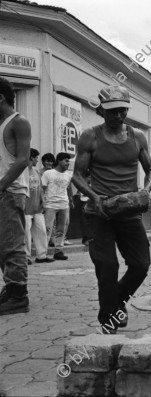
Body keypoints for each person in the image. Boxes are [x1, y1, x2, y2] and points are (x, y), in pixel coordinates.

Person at [72, 85, 151, 334]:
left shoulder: (138, 136)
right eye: (112, 111)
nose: (118, 116)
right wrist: (94, 197)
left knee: (141, 264)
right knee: (106, 265)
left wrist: (145, 190)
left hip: (129, 210)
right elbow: (77, 175)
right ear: (100, 110)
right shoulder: (90, 136)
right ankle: (108, 319)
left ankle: (116, 302)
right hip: (100, 212)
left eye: (122, 110)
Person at [0, 77, 32, 315]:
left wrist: (1, 186)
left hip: (10, 192)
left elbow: (22, 159)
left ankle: (19, 295)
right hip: (4, 190)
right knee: (3, 245)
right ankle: (11, 288)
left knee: (12, 245)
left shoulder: (18, 121)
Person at [41, 152, 72, 261]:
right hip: (50, 205)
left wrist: (70, 201)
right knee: (47, 229)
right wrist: (43, 203)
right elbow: (42, 189)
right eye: (66, 161)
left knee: (61, 229)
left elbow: (68, 189)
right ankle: (43, 253)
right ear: (59, 161)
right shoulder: (48, 173)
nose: (68, 163)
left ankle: (59, 251)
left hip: (64, 204)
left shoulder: (68, 175)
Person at [25, 149, 53, 265]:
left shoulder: (36, 172)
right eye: (36, 158)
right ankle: (25, 257)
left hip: (37, 208)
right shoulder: (22, 172)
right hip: (25, 208)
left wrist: (43, 202)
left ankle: (41, 256)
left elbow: (41, 188)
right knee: (26, 234)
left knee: (41, 231)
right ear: (31, 158)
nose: (37, 160)